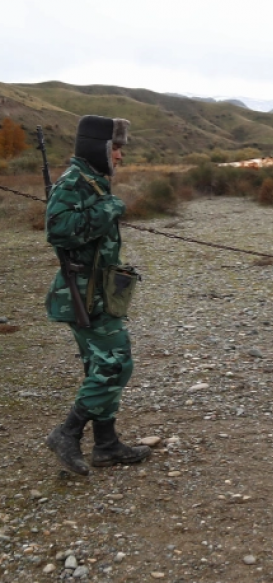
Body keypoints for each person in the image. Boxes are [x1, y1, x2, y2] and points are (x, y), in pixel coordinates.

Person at [45, 115, 151, 476]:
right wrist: (112, 206)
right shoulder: (74, 182)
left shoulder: (93, 180)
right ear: (98, 148)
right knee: (114, 364)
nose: (120, 156)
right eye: (116, 148)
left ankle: (106, 445)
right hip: (83, 293)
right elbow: (58, 230)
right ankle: (67, 433)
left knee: (99, 366)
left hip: (100, 292)